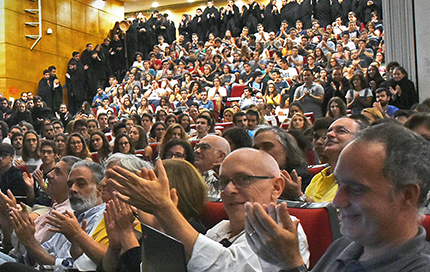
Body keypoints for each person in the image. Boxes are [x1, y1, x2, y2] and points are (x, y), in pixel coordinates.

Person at [245, 123, 430, 271]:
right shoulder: (343, 247)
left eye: (357, 189)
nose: (337, 201)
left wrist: (290, 264)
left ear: (407, 196)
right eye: (339, 184)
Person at [107, 151, 310, 271]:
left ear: (276, 187)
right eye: (223, 183)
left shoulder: (286, 231)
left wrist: (164, 209)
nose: (229, 190)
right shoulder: (220, 230)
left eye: (243, 179)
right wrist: (159, 227)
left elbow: (225, 268)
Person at [303, 116, 367, 202]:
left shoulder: (360, 180)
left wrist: (298, 195)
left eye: (341, 131)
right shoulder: (318, 177)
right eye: (329, 131)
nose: (329, 134)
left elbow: (332, 214)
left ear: (360, 140)